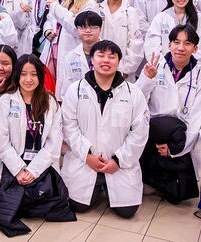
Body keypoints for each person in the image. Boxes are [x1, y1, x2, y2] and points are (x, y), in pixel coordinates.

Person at [61, 40, 149, 219]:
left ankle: (107, 184)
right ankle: (97, 184)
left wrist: (118, 160)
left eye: (112, 56)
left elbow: (139, 132)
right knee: (77, 205)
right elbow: (69, 127)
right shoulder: (75, 90)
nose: (106, 60)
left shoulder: (133, 93)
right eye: (101, 55)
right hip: (85, 160)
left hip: (119, 164)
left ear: (119, 61)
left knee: (127, 211)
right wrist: (87, 156)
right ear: (92, 59)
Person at [0, 55, 74, 234]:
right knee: (13, 201)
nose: (28, 79)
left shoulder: (50, 102)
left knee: (50, 199)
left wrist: (33, 171)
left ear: (40, 77)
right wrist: (20, 170)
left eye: (34, 74)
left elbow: (54, 144)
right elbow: (2, 144)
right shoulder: (5, 102)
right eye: (23, 74)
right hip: (14, 163)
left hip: (42, 163)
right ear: (16, 76)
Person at [137, 25, 201, 204]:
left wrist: (177, 150)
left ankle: (167, 177)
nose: (180, 48)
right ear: (168, 45)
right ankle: (151, 177)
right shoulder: (155, 67)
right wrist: (147, 78)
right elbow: (137, 101)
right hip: (153, 129)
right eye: (176, 42)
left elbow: (196, 119)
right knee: (147, 188)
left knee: (177, 197)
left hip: (180, 135)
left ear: (195, 48)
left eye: (187, 43)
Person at [143, 0, 201, 69]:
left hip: (190, 71)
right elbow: (152, 46)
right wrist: (165, 67)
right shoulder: (161, 18)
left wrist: (190, 67)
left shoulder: (199, 18)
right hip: (163, 69)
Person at [99, 0, 144, 80]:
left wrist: (126, 69)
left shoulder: (130, 12)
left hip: (123, 68)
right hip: (100, 65)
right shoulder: (98, 9)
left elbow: (136, 42)